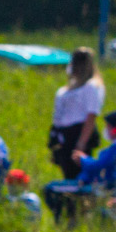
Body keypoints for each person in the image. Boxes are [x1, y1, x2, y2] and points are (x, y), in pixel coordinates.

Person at [43, 111, 116, 221]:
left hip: (102, 187)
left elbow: (100, 167)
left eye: (108, 126)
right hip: (101, 185)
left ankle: (67, 221)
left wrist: (83, 160)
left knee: (50, 189)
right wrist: (83, 176)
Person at [48, 47, 103, 177]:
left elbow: (91, 115)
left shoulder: (91, 87)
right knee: (66, 170)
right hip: (63, 134)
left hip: (78, 132)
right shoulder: (66, 89)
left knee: (77, 172)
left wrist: (81, 143)